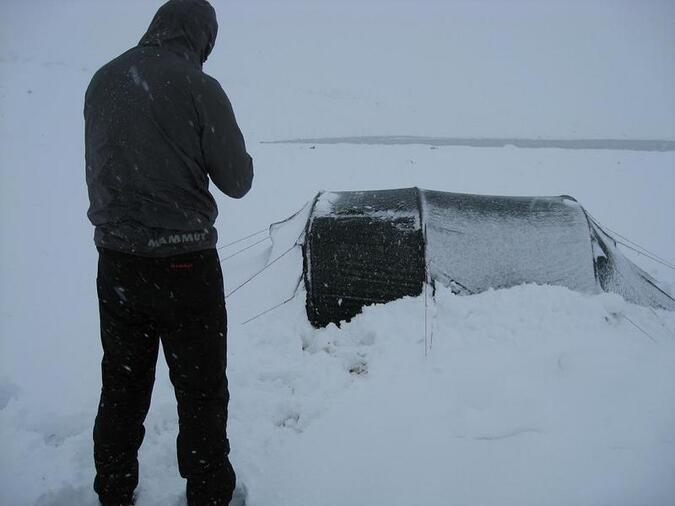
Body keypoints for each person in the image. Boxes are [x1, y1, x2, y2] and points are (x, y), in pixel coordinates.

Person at [84, 0, 253, 504]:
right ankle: (207, 492)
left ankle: (113, 490)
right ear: (202, 36)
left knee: (122, 386)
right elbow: (237, 181)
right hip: (186, 266)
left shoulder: (103, 80)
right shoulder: (199, 87)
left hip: (117, 264)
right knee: (201, 391)